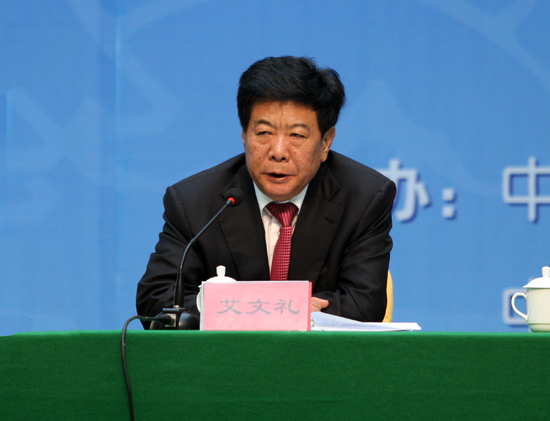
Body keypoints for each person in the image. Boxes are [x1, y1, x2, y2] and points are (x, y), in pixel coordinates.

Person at [136, 56, 396, 324]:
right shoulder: (195, 202)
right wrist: (272, 309)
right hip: (226, 351)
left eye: (297, 135)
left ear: (326, 142)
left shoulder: (364, 198)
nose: (278, 152)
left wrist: (241, 310)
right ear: (244, 135)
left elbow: (364, 305)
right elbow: (156, 299)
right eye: (264, 133)